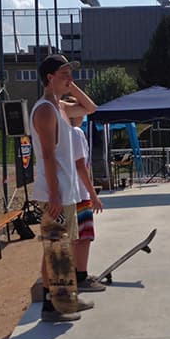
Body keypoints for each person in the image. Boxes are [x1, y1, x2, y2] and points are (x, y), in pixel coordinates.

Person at [30, 54, 98, 322]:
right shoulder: (46, 109)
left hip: (65, 190)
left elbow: (90, 108)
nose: (70, 77)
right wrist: (55, 195)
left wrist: (70, 88)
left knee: (61, 248)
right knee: (56, 249)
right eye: (64, 73)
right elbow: (47, 155)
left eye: (71, 72)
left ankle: (63, 299)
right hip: (54, 191)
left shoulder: (60, 106)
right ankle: (53, 306)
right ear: (49, 77)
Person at [69, 122, 106, 294]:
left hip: (70, 193)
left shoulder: (60, 132)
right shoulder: (76, 132)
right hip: (80, 193)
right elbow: (81, 166)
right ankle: (81, 276)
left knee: (74, 236)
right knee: (85, 235)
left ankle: (76, 273)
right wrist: (93, 194)